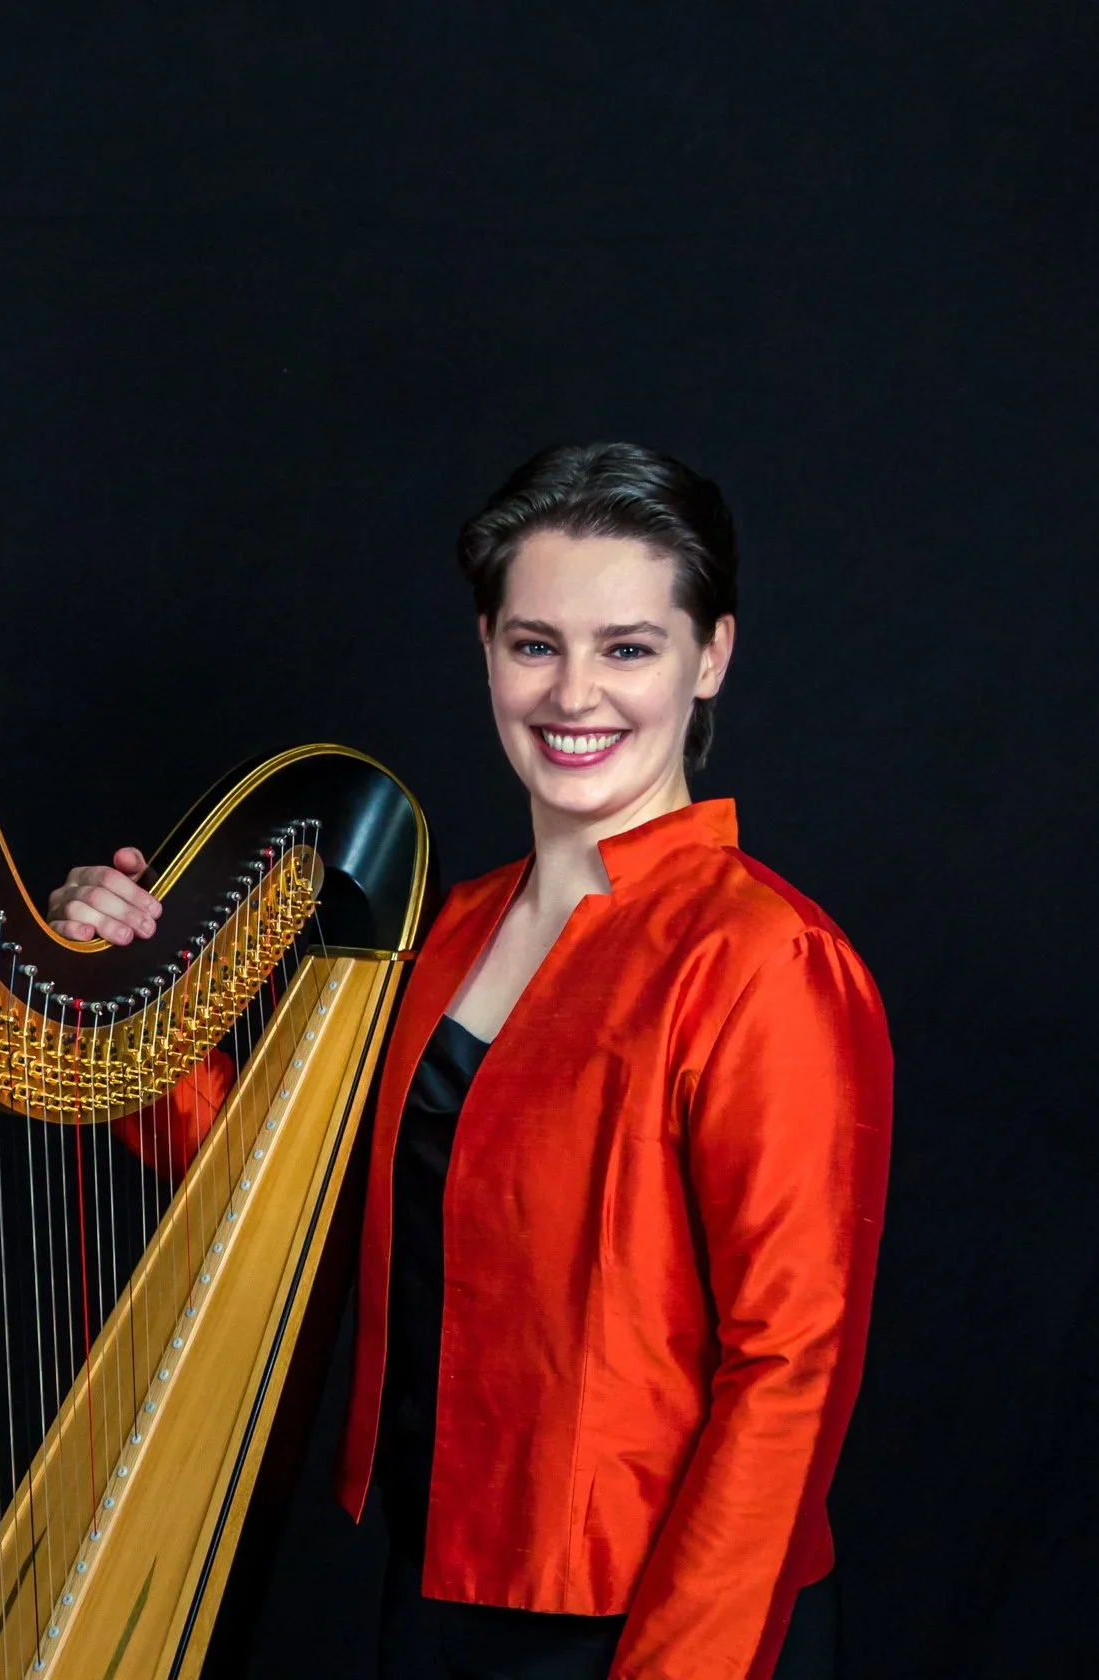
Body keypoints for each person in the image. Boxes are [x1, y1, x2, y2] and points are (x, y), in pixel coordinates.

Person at [47, 442, 892, 1680]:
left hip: (651, 1614)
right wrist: (107, 990)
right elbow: (302, 1186)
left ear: (710, 657)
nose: (574, 695)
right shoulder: (452, 928)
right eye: (536, 643)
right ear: (487, 647)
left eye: (628, 649)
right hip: (438, 1578)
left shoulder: (766, 961)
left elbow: (790, 1372)